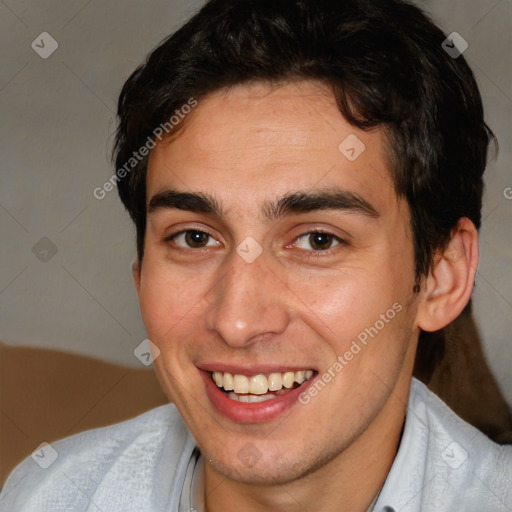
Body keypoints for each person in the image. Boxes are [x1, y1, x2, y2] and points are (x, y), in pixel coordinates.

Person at [1, 0, 511, 510]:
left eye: (317, 240)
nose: (237, 321)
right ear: (139, 273)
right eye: (194, 238)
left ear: (442, 277)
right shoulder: (52, 495)